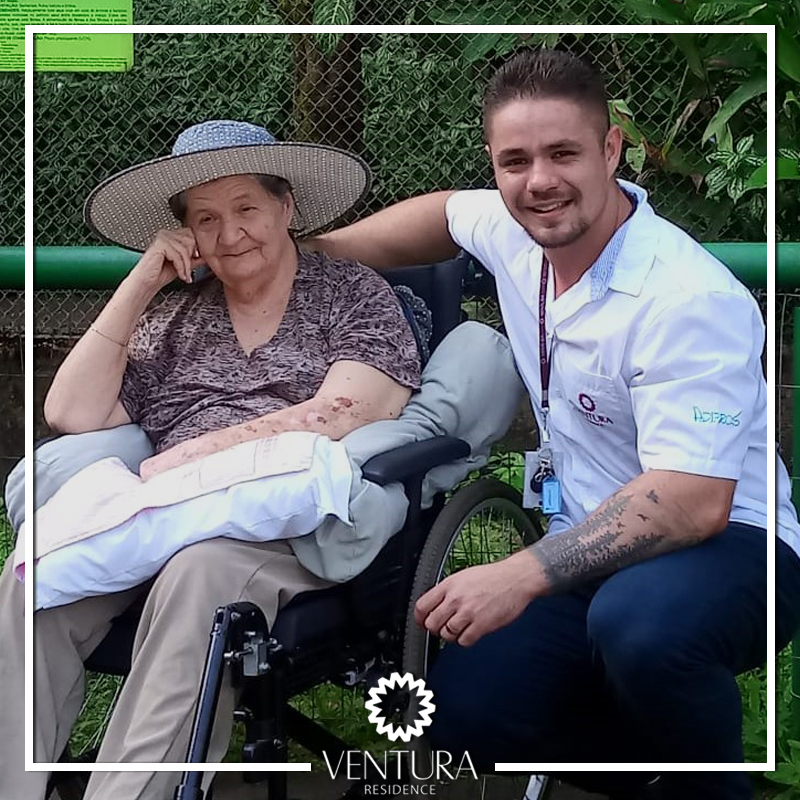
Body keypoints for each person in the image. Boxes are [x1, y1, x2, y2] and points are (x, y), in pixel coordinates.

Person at [303, 48, 800, 799]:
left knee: (640, 628)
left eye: (563, 153)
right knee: (464, 711)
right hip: (590, 547)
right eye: (515, 161)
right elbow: (440, 213)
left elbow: (694, 501)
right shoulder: (515, 228)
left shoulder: (688, 298)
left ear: (611, 150)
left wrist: (520, 574)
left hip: (736, 545)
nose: (539, 180)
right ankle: (658, 773)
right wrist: (307, 255)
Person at [0, 120, 421, 800]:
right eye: (206, 219)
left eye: (246, 208)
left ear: (286, 207)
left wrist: (200, 455)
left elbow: (349, 410)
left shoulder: (350, 294)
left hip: (281, 526)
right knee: (36, 580)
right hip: (166, 513)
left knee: (198, 574)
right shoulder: (175, 318)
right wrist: (142, 281)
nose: (230, 235)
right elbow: (70, 412)